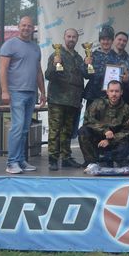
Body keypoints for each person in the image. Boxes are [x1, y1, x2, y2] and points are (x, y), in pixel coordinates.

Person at [0, 16, 46, 174]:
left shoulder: (35, 48)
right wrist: (4, 91)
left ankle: (20, 160)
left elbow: (38, 71)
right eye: (23, 25)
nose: (26, 28)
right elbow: (3, 69)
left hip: (31, 93)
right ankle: (11, 162)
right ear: (18, 27)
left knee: (25, 129)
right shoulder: (10, 44)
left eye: (29, 26)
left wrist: (43, 92)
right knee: (17, 127)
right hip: (16, 92)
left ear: (33, 28)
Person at [44, 28, 85, 171]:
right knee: (55, 130)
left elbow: (83, 76)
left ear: (77, 39)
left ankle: (66, 157)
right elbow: (48, 75)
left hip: (73, 100)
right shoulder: (56, 54)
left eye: (74, 37)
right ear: (64, 37)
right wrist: (55, 64)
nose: (71, 39)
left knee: (67, 131)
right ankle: (53, 159)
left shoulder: (79, 58)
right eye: (69, 36)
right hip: (57, 99)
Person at [78, 80, 129, 167]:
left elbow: (128, 130)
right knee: (83, 131)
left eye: (117, 91)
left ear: (121, 92)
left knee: (126, 142)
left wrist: (110, 140)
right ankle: (91, 162)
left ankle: (113, 159)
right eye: (111, 91)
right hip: (98, 137)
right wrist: (105, 130)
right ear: (107, 92)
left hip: (115, 139)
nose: (114, 94)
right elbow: (88, 120)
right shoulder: (97, 103)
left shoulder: (127, 109)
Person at [83, 25, 122, 109]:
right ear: (100, 40)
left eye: (108, 39)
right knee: (90, 118)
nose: (106, 42)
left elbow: (121, 79)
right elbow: (85, 75)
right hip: (93, 97)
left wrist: (124, 77)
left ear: (112, 41)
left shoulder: (118, 58)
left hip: (111, 98)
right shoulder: (92, 55)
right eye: (103, 39)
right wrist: (86, 65)